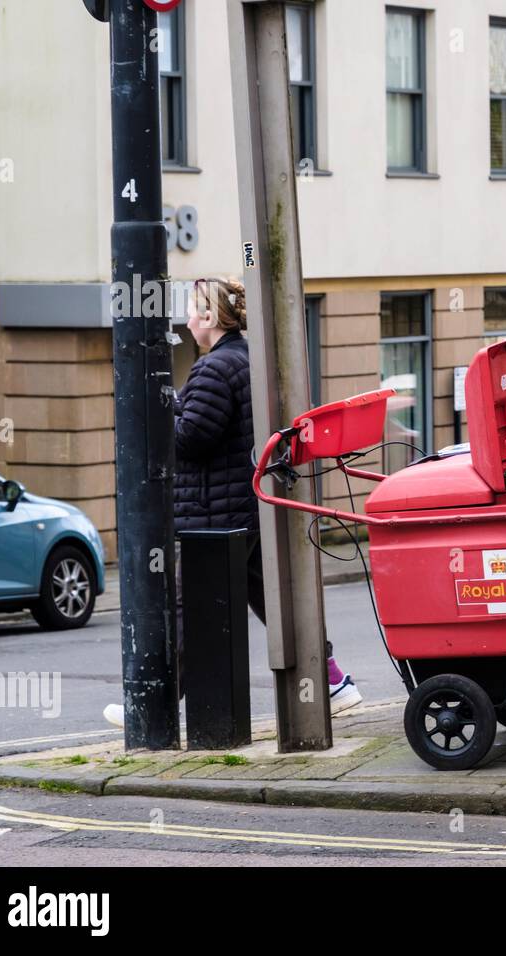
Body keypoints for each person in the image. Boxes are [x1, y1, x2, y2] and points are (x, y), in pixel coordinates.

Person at [103, 277, 361, 727]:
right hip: (247, 508)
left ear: (208, 317)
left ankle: (152, 705)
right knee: (277, 602)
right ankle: (332, 680)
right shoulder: (246, 359)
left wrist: (166, 407)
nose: (186, 319)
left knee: (187, 611)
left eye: (191, 310)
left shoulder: (214, 368)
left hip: (215, 516)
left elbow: (191, 439)